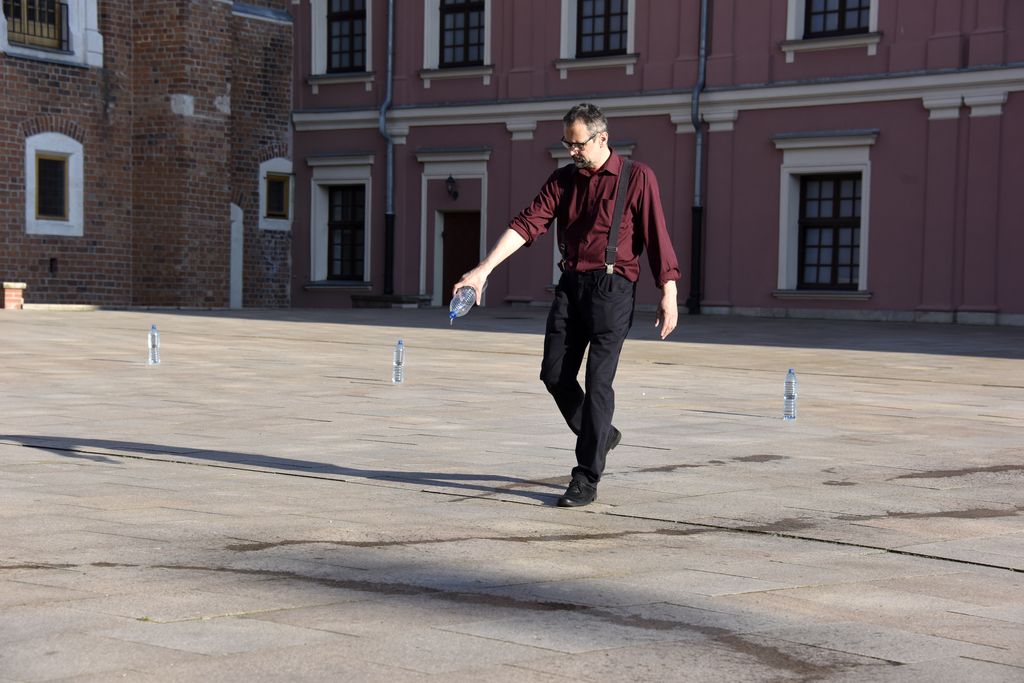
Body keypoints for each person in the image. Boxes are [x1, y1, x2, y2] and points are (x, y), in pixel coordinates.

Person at [453, 102, 681, 508]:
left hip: (613, 290)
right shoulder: (563, 181)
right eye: (567, 144)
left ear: (602, 138)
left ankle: (586, 476)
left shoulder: (638, 177)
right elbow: (527, 224)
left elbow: (657, 236)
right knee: (554, 374)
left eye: (577, 144)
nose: (571, 152)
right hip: (571, 286)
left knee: (598, 382)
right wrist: (483, 270)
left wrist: (669, 291)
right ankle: (601, 435)